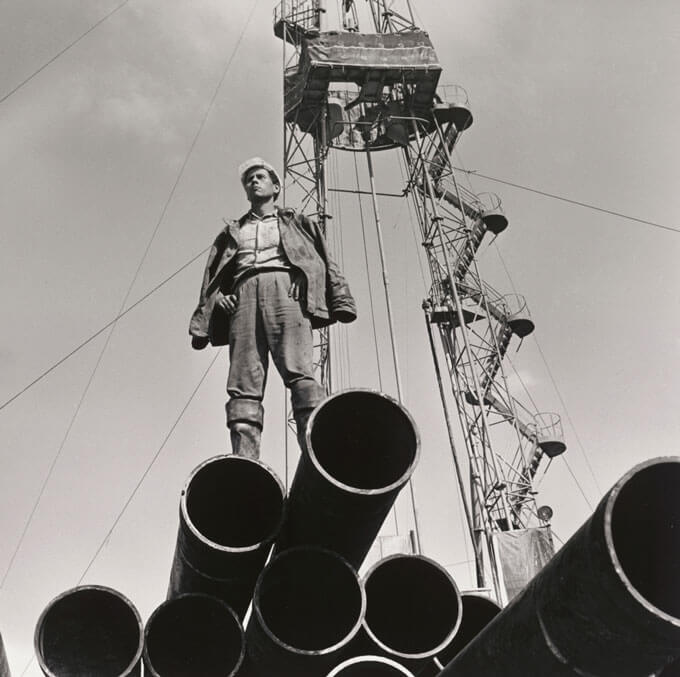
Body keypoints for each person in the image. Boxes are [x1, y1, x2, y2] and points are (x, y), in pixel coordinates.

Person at [189, 157, 357, 459]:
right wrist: (219, 300)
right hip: (243, 298)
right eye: (249, 179)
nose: (254, 181)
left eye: (260, 176)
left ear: (276, 186)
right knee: (243, 382)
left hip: (286, 293)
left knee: (300, 372)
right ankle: (245, 460)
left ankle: (316, 455)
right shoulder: (232, 232)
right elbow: (213, 279)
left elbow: (322, 260)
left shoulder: (297, 223)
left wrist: (310, 282)